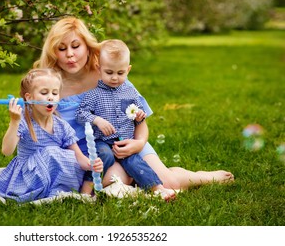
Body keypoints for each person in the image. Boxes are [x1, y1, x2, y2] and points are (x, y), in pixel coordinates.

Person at [33, 16, 234, 192]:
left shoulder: (108, 73)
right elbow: (43, 132)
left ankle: (203, 176)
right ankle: (129, 176)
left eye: (76, 46)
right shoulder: (50, 85)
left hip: (128, 141)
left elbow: (137, 116)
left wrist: (138, 143)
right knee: (105, 183)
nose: (69, 54)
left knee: (168, 183)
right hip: (92, 157)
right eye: (61, 49)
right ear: (53, 52)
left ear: (87, 46)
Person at [76, 39, 175, 200]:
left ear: (128, 70)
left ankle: (158, 188)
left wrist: (139, 116)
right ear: (99, 69)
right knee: (103, 155)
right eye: (109, 72)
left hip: (124, 141)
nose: (115, 77)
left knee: (136, 162)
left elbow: (137, 115)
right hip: (102, 140)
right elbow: (81, 113)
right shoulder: (94, 94)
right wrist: (97, 120)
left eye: (120, 73)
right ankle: (87, 192)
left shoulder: (130, 92)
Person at [0, 68, 103, 202]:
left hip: (52, 176)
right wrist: (14, 121)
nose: (50, 97)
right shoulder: (24, 122)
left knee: (66, 156)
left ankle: (55, 191)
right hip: (28, 177)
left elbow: (78, 157)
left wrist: (91, 165)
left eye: (55, 93)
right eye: (44, 92)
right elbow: (6, 151)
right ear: (29, 98)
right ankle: (43, 192)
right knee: (51, 152)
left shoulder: (61, 125)